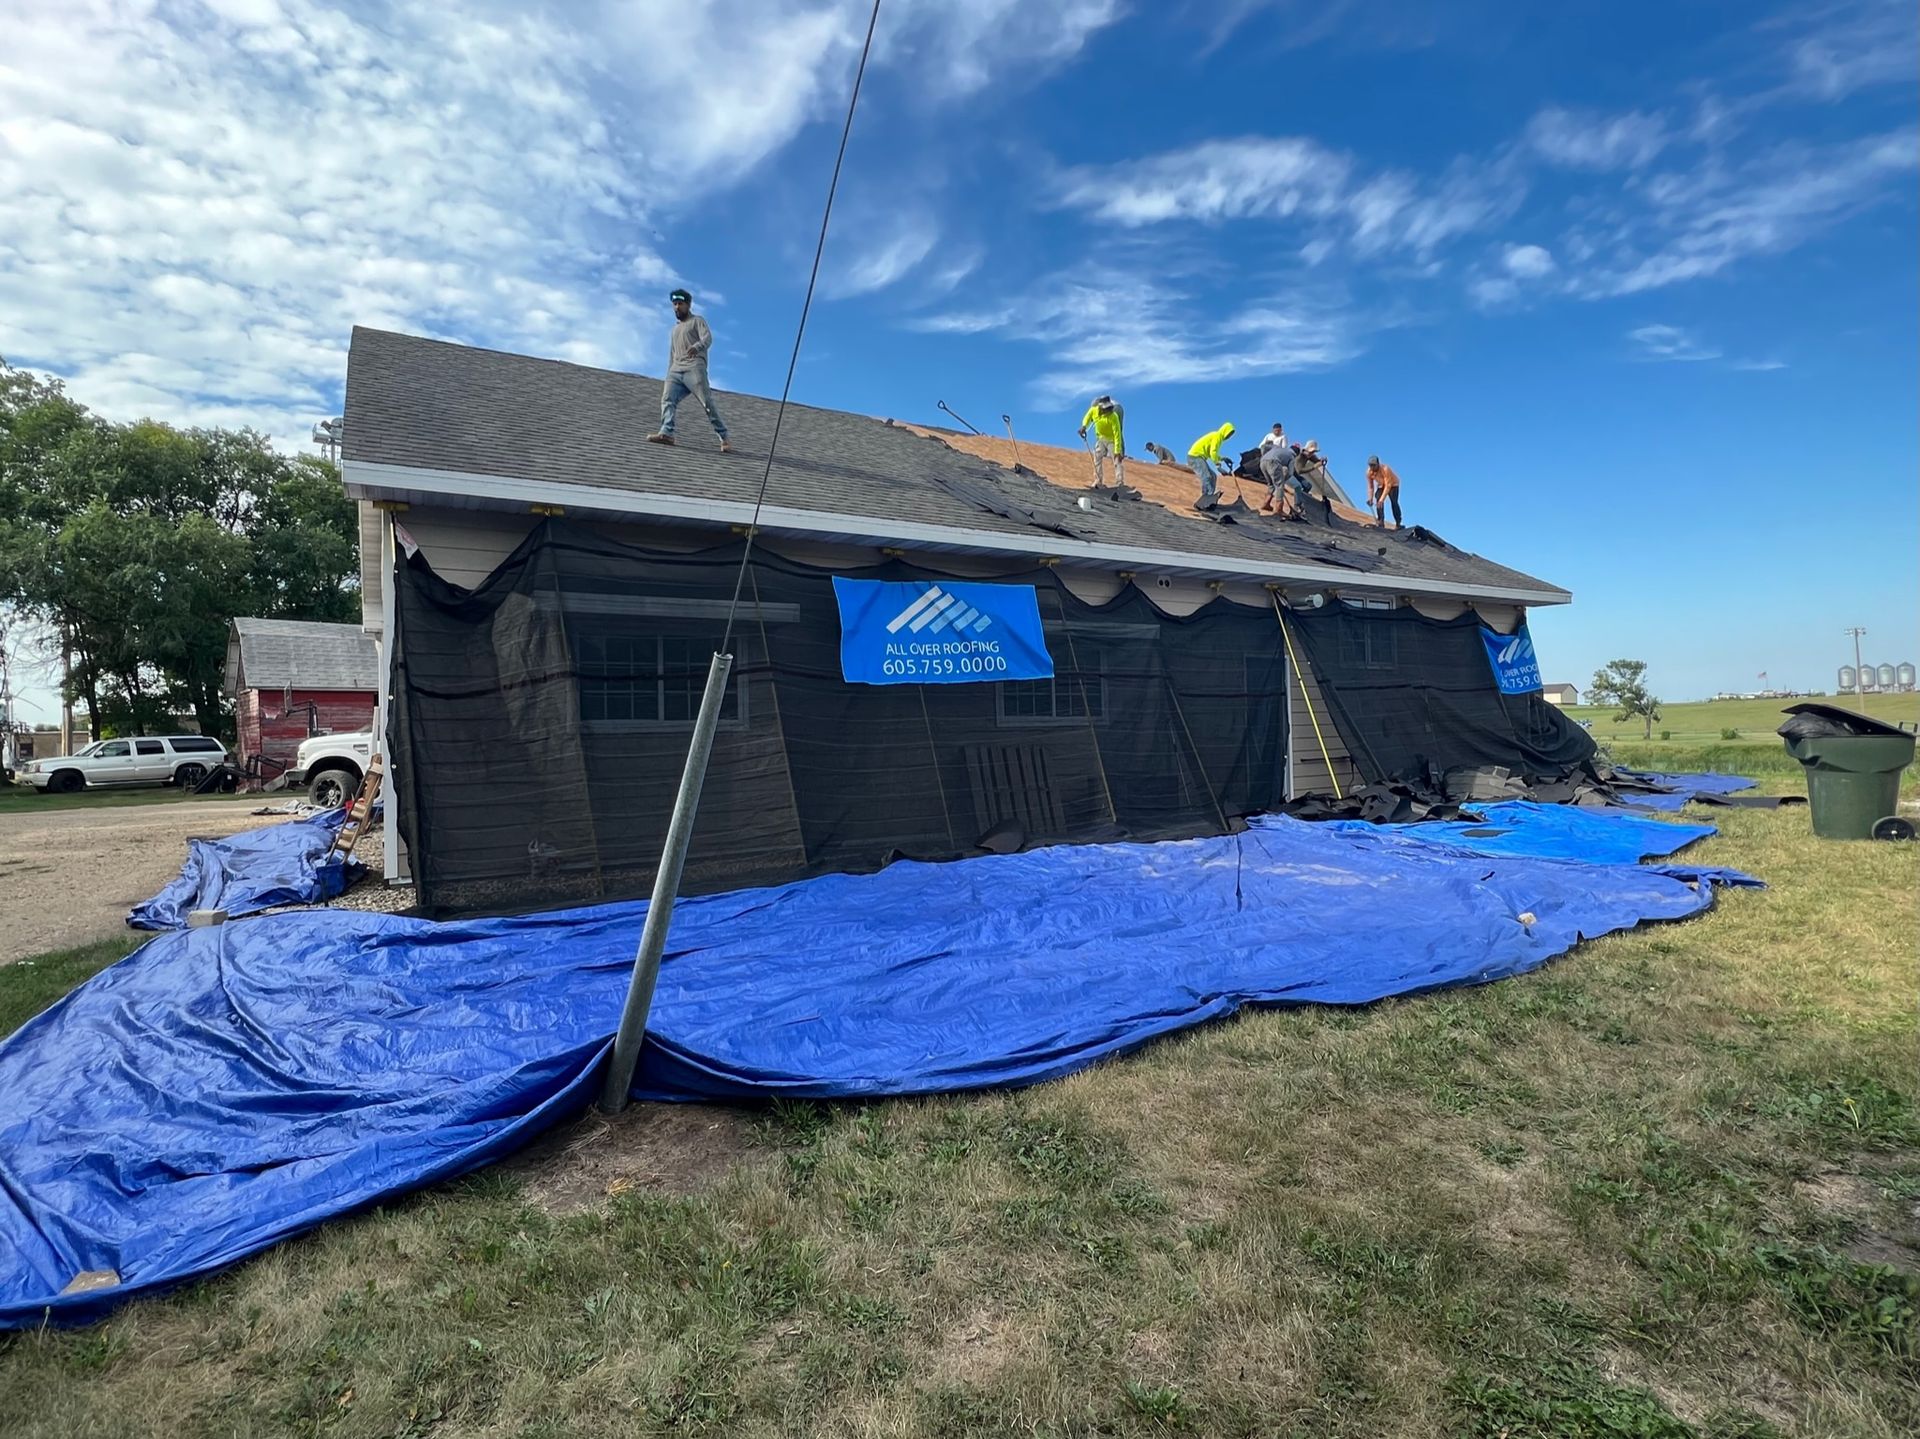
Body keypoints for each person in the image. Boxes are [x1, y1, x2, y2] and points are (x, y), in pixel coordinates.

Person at [646, 288, 732, 452]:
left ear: (688, 305)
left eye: (680, 304)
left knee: (707, 403)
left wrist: (697, 346)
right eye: (675, 304)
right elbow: (672, 354)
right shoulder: (674, 330)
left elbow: (707, 337)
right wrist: (669, 373)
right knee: (667, 399)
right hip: (676, 370)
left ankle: (724, 437)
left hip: (694, 368)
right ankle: (667, 433)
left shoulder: (697, 321)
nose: (677, 307)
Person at [1077, 395, 1127, 490]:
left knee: (1117, 461)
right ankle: (1098, 481)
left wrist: (1117, 450)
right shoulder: (1094, 410)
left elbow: (1117, 434)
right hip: (1100, 439)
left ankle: (1120, 483)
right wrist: (1084, 426)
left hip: (1112, 440)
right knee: (1097, 458)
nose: (1107, 410)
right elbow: (1087, 417)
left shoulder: (1113, 416)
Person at [1186, 422, 1236, 510]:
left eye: (1230, 435)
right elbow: (1213, 452)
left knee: (1213, 476)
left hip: (1199, 457)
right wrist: (1218, 466)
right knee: (1207, 476)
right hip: (1195, 457)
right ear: (1225, 431)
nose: (1229, 437)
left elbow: (1212, 453)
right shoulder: (1217, 436)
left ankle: (1208, 499)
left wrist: (1223, 459)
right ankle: (1205, 499)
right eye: (1229, 434)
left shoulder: (1217, 437)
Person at [1367, 454, 1402, 529]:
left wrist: (1382, 500)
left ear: (1378, 464)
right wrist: (1370, 498)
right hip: (1381, 485)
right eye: (1370, 466)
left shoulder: (1385, 469)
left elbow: (1388, 486)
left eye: (1374, 465)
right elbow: (1371, 486)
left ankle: (1398, 523)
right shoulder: (1369, 472)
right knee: (1378, 499)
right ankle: (1381, 521)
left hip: (1393, 484)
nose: (1372, 467)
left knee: (1394, 502)